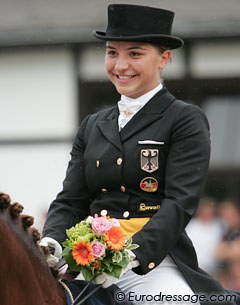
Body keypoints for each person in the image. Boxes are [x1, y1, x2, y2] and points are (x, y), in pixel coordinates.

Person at [41, 4, 239, 305]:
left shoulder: (183, 119)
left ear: (164, 58)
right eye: (111, 53)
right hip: (84, 258)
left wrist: (130, 256)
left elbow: (180, 203)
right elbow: (71, 199)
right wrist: (50, 241)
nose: (120, 65)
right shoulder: (93, 125)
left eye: (134, 54)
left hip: (150, 263)